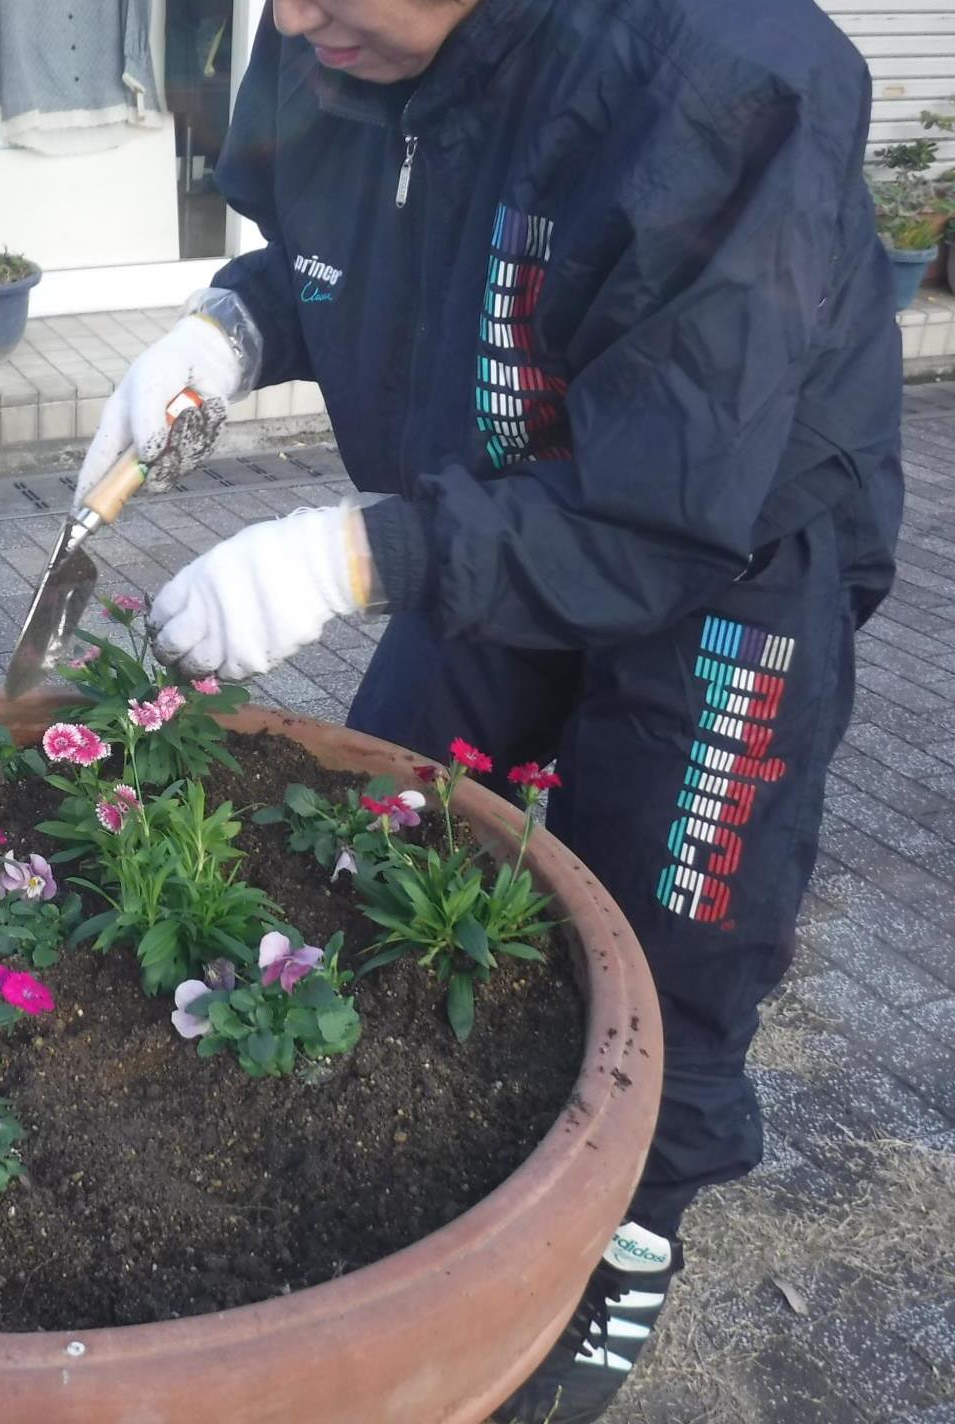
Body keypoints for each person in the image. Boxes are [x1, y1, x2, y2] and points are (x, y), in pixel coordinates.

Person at [81, 0, 904, 1420]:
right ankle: (427, 1134)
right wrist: (236, 324)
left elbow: (667, 501)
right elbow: (360, 247)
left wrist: (356, 555)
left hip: (727, 559)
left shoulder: (723, 82)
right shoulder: (333, 34)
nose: (286, 14)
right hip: (486, 501)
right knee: (406, 808)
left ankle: (636, 1223)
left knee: (675, 907)